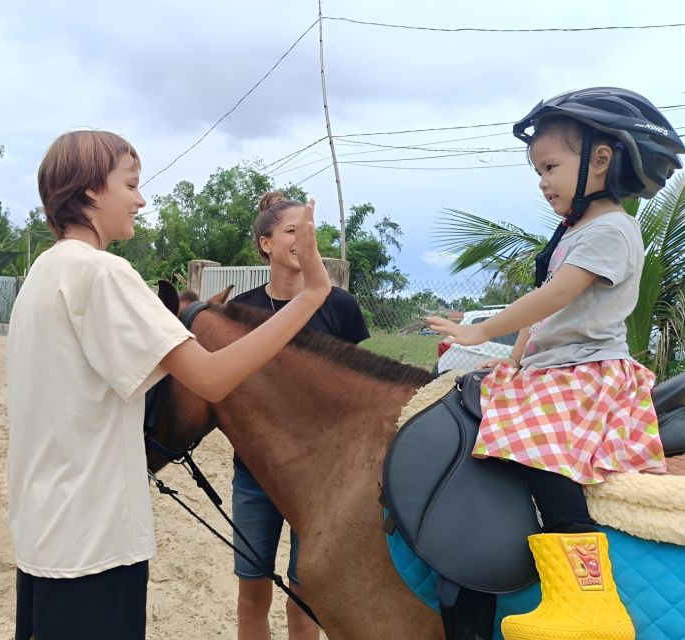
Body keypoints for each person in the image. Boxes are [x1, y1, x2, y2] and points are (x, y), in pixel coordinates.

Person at [7, 131, 331, 640]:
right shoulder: (102, 274)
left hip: (44, 533)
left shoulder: (43, 273)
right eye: (131, 185)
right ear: (91, 191)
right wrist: (312, 295)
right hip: (94, 543)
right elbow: (211, 377)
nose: (140, 199)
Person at [428, 88, 684, 640]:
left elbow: (553, 298)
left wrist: (479, 329)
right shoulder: (576, 231)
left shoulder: (613, 229)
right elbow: (540, 322)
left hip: (586, 374)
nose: (543, 181)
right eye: (537, 170)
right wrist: (512, 360)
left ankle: (587, 599)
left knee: (542, 456)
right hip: (553, 368)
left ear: (600, 158)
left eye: (550, 166)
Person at [229, 191, 369, 640]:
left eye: (309, 230)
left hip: (320, 478)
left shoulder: (340, 307)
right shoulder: (240, 311)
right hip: (255, 474)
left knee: (305, 599)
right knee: (253, 593)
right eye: (292, 230)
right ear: (265, 243)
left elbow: (357, 390)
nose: (303, 239)